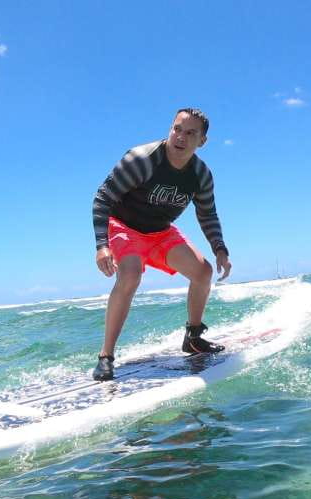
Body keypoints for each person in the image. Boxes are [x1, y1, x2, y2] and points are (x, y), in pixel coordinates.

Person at [89, 108, 232, 381]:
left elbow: (207, 214)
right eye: (177, 128)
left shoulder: (200, 175)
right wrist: (102, 245)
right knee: (130, 275)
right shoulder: (141, 160)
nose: (181, 136)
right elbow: (102, 199)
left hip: (160, 232)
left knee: (203, 272)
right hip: (123, 226)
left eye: (190, 133)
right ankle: (106, 356)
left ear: (202, 141)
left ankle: (193, 337)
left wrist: (220, 250)